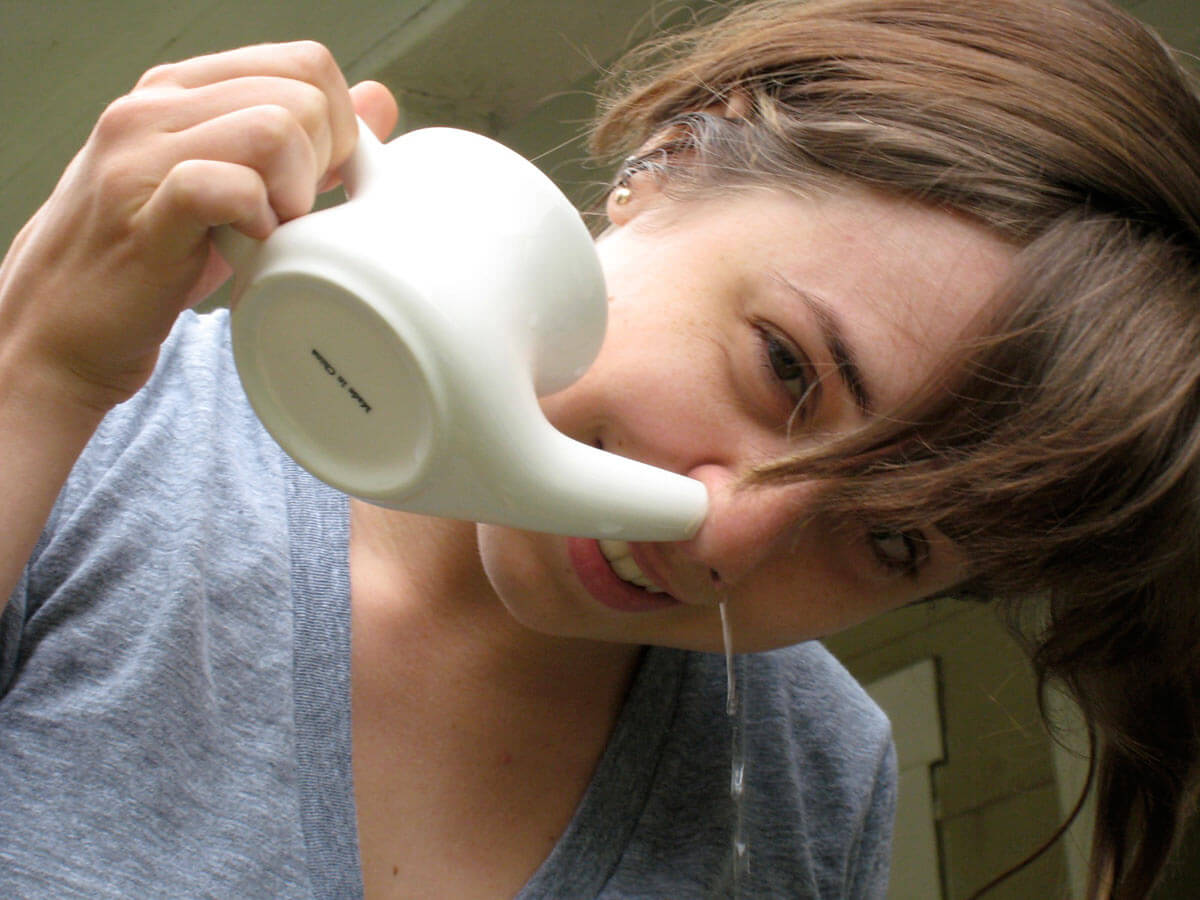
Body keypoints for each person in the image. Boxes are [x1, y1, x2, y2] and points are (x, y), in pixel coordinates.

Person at [0, 0, 1197, 897]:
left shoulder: (822, 780)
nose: (726, 534)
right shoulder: (107, 439)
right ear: (671, 160)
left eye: (892, 542)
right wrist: (36, 378)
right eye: (786, 367)